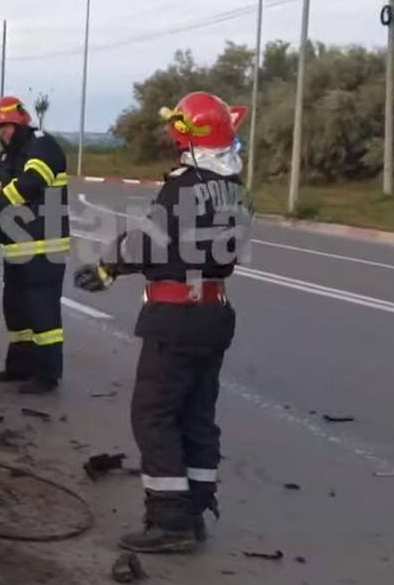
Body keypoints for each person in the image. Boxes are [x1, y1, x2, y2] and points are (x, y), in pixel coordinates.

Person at [73, 91, 253, 554]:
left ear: (187, 138)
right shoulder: (236, 189)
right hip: (214, 313)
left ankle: (169, 519)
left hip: (175, 316)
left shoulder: (185, 186)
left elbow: (153, 242)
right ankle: (194, 510)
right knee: (196, 414)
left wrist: (108, 266)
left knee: (154, 415)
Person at [0, 96, 70, 395]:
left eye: (5, 127)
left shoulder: (42, 146)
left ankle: (47, 375)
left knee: (42, 314)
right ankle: (19, 367)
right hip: (16, 248)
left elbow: (32, 182)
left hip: (44, 246)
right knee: (16, 310)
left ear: (20, 123)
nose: (1, 133)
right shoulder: (9, 156)